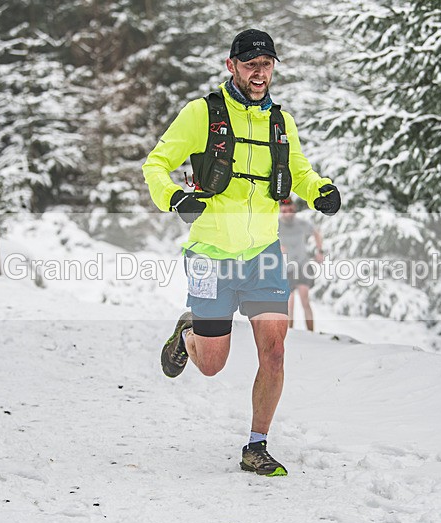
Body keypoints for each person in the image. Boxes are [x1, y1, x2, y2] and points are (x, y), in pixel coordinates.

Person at [142, 29, 341, 477]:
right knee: (211, 366)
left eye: (266, 64)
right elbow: (155, 163)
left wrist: (319, 188)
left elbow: (298, 170)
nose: (259, 72)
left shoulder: (280, 121)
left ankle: (256, 445)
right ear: (231, 66)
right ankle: (189, 332)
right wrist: (173, 196)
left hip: (264, 255)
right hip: (211, 253)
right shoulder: (202, 113)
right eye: (250, 64)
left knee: (274, 352)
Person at [278, 198, 324, 332]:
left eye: (290, 210)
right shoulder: (276, 225)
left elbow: (316, 233)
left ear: (294, 209)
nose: (288, 213)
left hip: (303, 265)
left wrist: (319, 251)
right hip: (287, 267)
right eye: (285, 211)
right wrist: (277, 247)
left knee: (305, 300)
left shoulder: (301, 223)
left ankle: (311, 333)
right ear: (281, 210)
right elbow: (265, 239)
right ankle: (290, 333)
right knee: (289, 303)